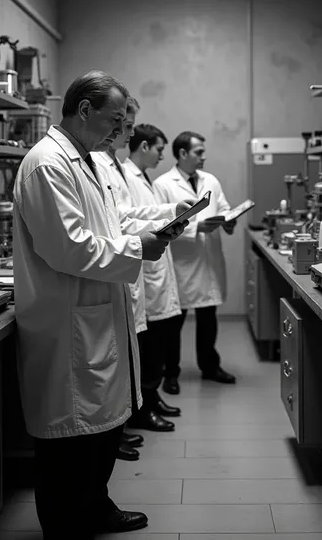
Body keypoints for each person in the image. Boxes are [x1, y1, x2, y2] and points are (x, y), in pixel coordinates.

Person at [13, 71, 179, 540]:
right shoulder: (49, 164)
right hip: (67, 322)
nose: (117, 130)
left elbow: (109, 224)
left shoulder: (86, 161)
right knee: (70, 438)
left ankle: (96, 508)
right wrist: (137, 249)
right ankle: (66, 525)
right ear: (84, 110)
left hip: (97, 314)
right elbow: (69, 247)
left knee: (100, 431)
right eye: (113, 119)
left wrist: (154, 231)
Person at [93, 102, 192, 444]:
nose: (131, 133)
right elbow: (114, 222)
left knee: (145, 352)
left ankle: (138, 408)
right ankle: (123, 423)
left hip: (133, 265)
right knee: (129, 358)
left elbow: (125, 215)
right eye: (125, 124)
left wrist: (168, 214)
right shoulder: (102, 166)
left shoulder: (116, 166)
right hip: (119, 270)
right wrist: (162, 219)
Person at [154, 130, 237, 394]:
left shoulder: (210, 180)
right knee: (174, 323)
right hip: (181, 263)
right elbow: (160, 224)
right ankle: (171, 373)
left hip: (208, 259)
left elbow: (223, 207)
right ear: (182, 154)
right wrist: (196, 228)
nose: (204, 156)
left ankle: (210, 367)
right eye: (199, 152)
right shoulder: (163, 184)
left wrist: (229, 219)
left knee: (208, 318)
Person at [123, 124, 187, 430]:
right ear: (145, 146)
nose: (164, 154)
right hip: (141, 268)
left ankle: (152, 397)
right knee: (148, 347)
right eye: (160, 148)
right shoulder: (124, 175)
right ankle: (144, 404)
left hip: (153, 266)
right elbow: (130, 218)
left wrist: (171, 216)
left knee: (157, 344)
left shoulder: (141, 177)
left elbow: (142, 213)